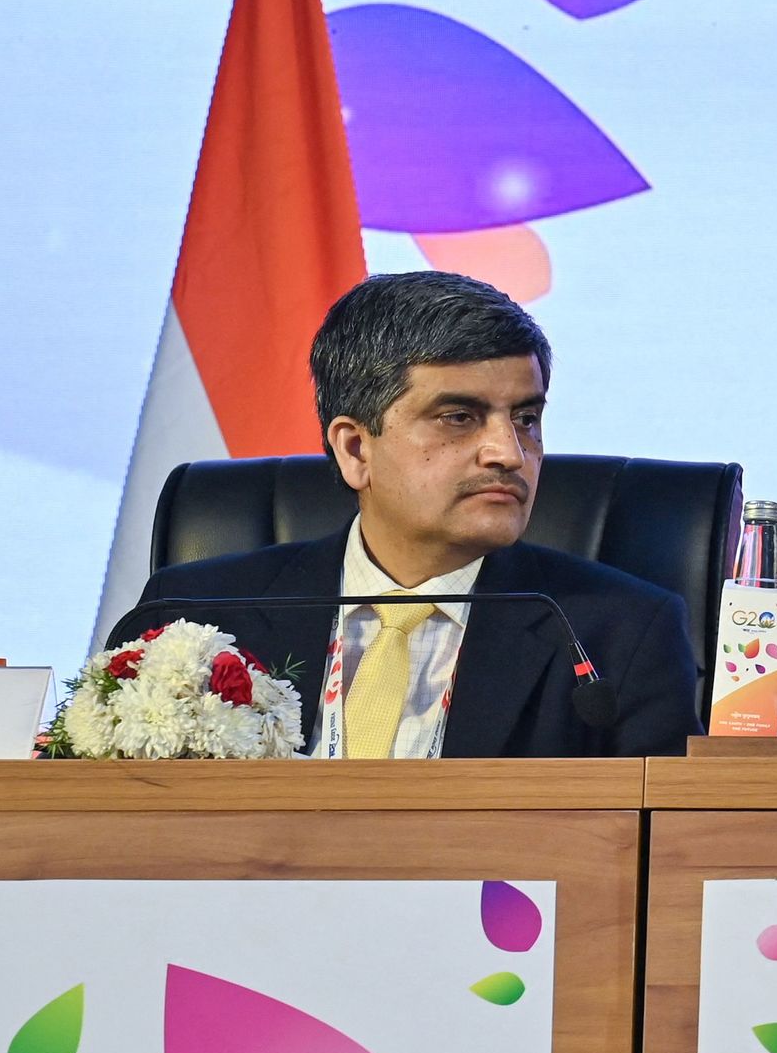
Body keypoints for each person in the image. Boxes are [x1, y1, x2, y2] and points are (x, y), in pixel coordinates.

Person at [109, 271, 699, 757]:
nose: (509, 453)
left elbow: (651, 863)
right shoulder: (194, 618)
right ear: (355, 449)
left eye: (525, 418)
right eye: (458, 416)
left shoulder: (619, 634)